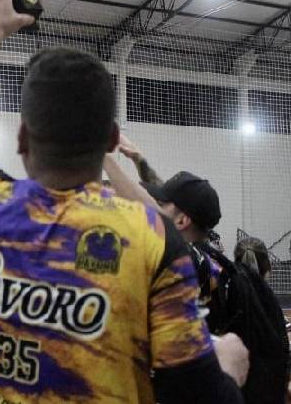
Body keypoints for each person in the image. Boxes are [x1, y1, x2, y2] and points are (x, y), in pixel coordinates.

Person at [0, 0, 246, 402]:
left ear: (22, 138)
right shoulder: (152, 239)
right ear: (111, 140)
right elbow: (196, 394)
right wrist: (231, 372)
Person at [105, 137, 289, 403]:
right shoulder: (209, 254)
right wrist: (140, 162)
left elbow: (156, 219)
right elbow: (166, 205)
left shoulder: (199, 264)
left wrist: (101, 156)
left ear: (182, 220)